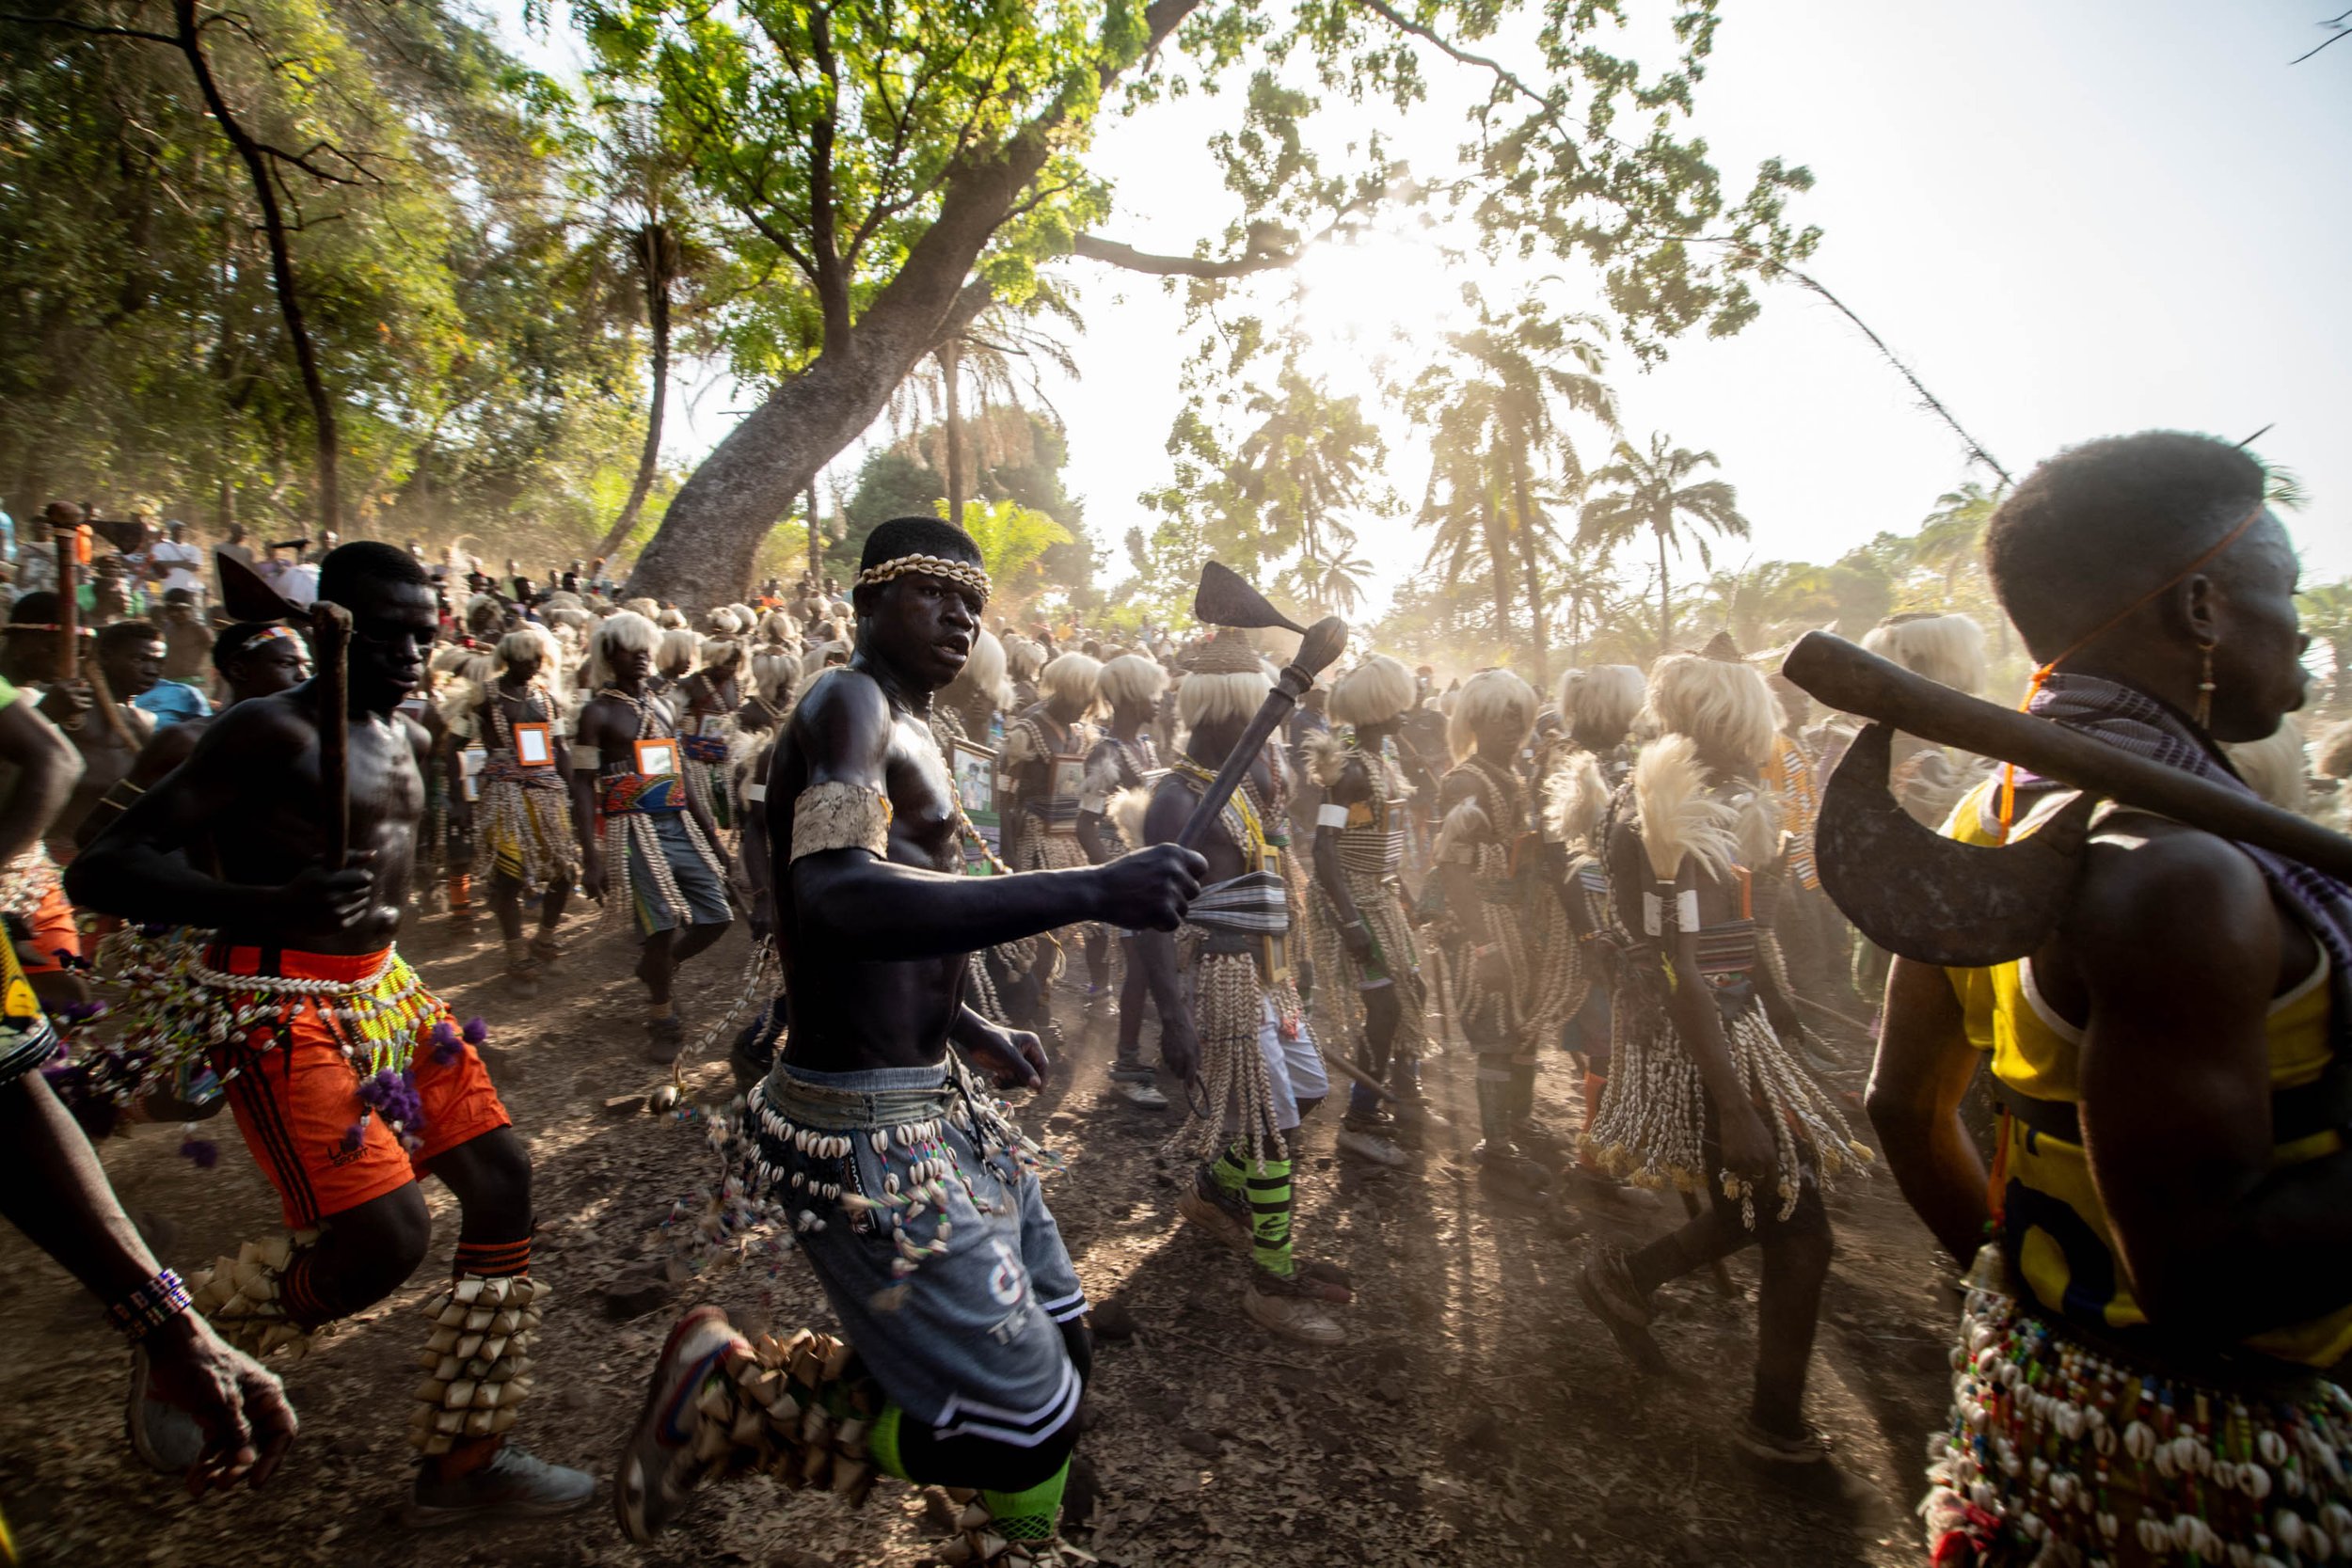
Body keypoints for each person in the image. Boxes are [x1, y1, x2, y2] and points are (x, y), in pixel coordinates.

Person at [612, 517, 1202, 1564]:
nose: (960, 616)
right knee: (1028, 1424)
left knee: (1063, 1346)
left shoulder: (923, 726)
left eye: (973, 600)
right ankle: (723, 1396)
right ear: (865, 601)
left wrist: (969, 1020)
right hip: (862, 1120)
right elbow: (834, 896)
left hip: (940, 1096)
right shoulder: (846, 702)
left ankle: (1001, 1523)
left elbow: (896, 910)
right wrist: (1094, 888)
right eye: (931, 590)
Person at [1867, 432, 2352, 1564]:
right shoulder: (2178, 879)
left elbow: (1901, 1106)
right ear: (2200, 607)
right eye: (2284, 592)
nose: (2302, 631)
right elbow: (2202, 1277)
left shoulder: (1990, 819)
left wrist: (2040, 1310)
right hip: (2224, 1469)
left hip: (2045, 1406)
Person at [67, 541, 594, 1525]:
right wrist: (269, 900)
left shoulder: (414, 731)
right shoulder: (267, 730)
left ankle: (465, 1459)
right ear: (328, 630)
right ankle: (188, 1340)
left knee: (502, 1180)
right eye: (383, 633)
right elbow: (100, 867)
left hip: (382, 990)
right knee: (387, 1242)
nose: (409, 653)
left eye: (422, 634)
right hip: (275, 1000)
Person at [1575, 645, 1867, 1463]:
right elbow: (1685, 968)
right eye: (1754, 724)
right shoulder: (1671, 811)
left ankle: (1628, 1280)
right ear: (1728, 722)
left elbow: (1728, 938)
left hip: (1720, 1026)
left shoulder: (1685, 798)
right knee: (1797, 1225)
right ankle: (1774, 1423)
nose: (1762, 740)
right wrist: (1736, 1103)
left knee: (1764, 1209)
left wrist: (1782, 1012)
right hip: (1702, 1038)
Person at [1140, 636, 1349, 1346]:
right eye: (1244, 716)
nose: (1255, 729)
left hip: (1270, 975)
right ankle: (1271, 1279)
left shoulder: (1249, 780)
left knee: (1308, 1093)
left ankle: (1213, 1193)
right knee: (1272, 1127)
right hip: (1223, 976)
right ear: (1219, 713)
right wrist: (1174, 1015)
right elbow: (1148, 919)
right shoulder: (1175, 800)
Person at [1426, 668, 1571, 1199]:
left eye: (1518, 717)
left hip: (1519, 918)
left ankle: (1518, 1122)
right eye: (1499, 718)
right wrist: (1484, 945)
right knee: (1496, 1030)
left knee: (1525, 1027)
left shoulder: (1513, 776)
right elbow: (1453, 869)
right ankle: (1496, 1146)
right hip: (1482, 923)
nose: (1512, 727)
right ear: (1476, 721)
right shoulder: (1465, 782)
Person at [571, 610, 734, 1061]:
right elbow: (582, 785)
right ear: (609, 655)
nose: (642, 656)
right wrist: (591, 855)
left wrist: (713, 840)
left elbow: (678, 777)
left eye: (646, 648)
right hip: (632, 830)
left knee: (716, 918)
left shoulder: (663, 706)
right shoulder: (596, 713)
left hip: (676, 822)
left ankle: (659, 966)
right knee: (659, 929)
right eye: (630, 648)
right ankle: (662, 1016)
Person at [1303, 654, 1431, 1168]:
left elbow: (1378, 841)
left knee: (1413, 991)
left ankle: (1401, 1091)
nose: (1406, 713)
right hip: (1354, 900)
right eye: (1398, 705)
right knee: (1385, 1006)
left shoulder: (1382, 764)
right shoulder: (1351, 771)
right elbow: (1324, 850)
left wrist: (1406, 894)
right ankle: (1359, 1120)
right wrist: (1351, 921)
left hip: (1380, 895)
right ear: (1378, 709)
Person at [449, 626, 575, 997]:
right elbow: (453, 746)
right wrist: (459, 798)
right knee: (509, 877)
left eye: (536, 658)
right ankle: (517, 955)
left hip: (548, 795)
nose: (531, 664)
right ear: (507, 658)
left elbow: (561, 747)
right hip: (504, 796)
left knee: (566, 872)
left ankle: (544, 939)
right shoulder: (483, 697)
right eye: (523, 658)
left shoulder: (547, 698)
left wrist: (572, 791)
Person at [1075, 652, 1170, 1108]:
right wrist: (1118, 878)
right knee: (1140, 967)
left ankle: (1163, 1051)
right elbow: (1085, 826)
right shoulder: (1106, 753)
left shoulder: (1146, 747)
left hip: (1152, 869)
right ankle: (1127, 1067)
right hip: (1132, 874)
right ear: (1132, 697)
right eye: (1152, 693)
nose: (1159, 701)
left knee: (1157, 964)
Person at [47, 619, 161, 861]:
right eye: (139, 659)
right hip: (55, 849)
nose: (151, 670)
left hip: (112, 852)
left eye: (158, 662)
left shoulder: (145, 721)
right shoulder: (71, 709)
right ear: (106, 656)